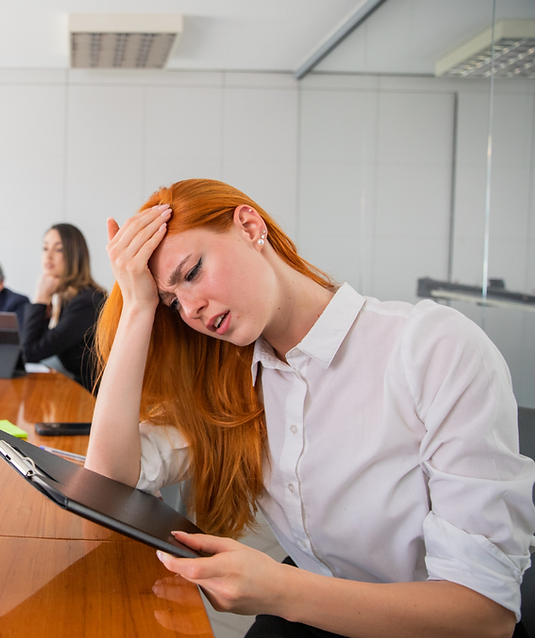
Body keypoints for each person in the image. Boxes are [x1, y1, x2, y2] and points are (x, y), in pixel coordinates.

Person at [87, 179, 535, 638]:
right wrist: (139, 307)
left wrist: (280, 589)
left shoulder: (432, 348)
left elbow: (486, 616)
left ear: (249, 226)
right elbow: (107, 482)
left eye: (193, 271)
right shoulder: (233, 381)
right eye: (172, 301)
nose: (192, 308)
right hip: (313, 616)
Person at [21, 223, 106, 391]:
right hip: (79, 389)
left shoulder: (87, 302)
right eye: (45, 248)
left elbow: (30, 352)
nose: (49, 256)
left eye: (58, 249)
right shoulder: (67, 298)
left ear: (74, 256)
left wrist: (40, 298)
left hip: (95, 396)